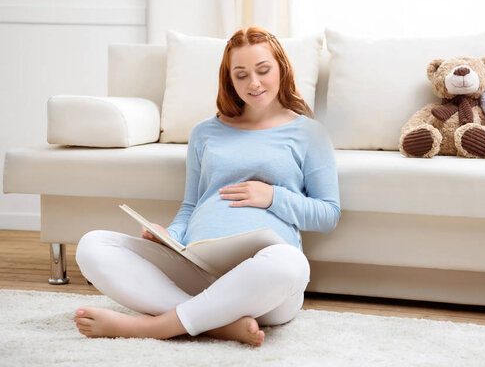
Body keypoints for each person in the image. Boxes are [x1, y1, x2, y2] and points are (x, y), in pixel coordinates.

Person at [72, 27, 341, 347]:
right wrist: (171, 236)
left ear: (281, 68)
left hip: (263, 281)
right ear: (229, 79)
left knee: (292, 264)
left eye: (263, 70)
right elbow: (191, 205)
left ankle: (154, 327)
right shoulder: (205, 132)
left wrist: (273, 197)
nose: (253, 83)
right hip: (198, 269)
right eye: (241, 75)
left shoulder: (310, 134)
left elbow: (328, 213)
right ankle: (219, 325)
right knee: (93, 244)